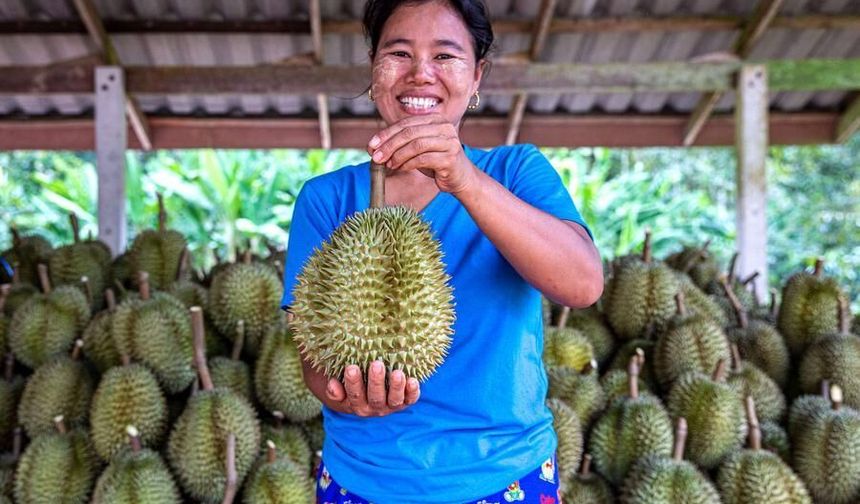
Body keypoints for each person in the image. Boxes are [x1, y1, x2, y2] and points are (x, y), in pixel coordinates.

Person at [281, 0, 603, 502]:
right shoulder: (326, 200)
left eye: (446, 57)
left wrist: (465, 180)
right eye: (399, 53)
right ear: (374, 68)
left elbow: (582, 284)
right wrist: (346, 396)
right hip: (364, 480)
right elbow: (313, 361)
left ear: (477, 76)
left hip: (504, 476)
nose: (420, 74)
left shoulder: (516, 172)